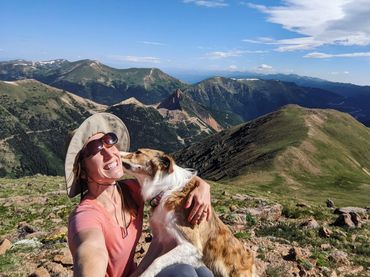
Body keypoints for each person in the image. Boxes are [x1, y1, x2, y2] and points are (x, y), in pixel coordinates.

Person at [65, 113, 214, 277]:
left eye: (109, 140)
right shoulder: (86, 215)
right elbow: (91, 249)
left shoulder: (132, 190)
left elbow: (169, 179)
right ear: (83, 173)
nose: (109, 154)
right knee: (183, 272)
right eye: (95, 149)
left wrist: (202, 185)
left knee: (203, 271)